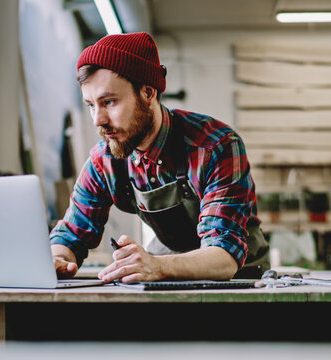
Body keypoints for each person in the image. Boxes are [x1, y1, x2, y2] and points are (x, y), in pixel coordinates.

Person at [49, 32, 269, 283]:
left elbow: (224, 255)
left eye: (108, 102)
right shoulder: (105, 161)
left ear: (148, 92)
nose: (98, 120)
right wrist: (58, 259)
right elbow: (69, 235)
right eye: (90, 105)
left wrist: (156, 266)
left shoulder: (215, 147)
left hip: (242, 278)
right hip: (167, 265)